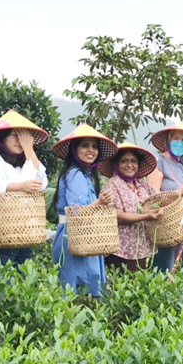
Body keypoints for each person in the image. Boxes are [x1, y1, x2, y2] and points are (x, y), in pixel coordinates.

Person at [0, 110, 50, 273]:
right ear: (2, 138)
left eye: (23, 138)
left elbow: (41, 183)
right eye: (14, 135)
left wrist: (30, 150)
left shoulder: (22, 165)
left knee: (21, 292)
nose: (19, 141)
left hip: (23, 237)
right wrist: (22, 187)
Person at [51, 124, 118, 296]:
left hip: (85, 236)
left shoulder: (85, 176)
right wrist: (100, 202)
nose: (91, 150)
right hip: (73, 236)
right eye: (85, 145)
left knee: (81, 293)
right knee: (75, 294)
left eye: (94, 147)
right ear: (75, 149)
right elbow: (76, 212)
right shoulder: (75, 174)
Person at [146, 121, 183, 271]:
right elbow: (153, 199)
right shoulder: (159, 162)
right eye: (176, 138)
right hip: (164, 227)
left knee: (173, 269)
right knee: (163, 269)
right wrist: (182, 190)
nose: (180, 143)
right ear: (168, 141)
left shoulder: (180, 167)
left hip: (178, 227)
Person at [100, 143, 161, 272]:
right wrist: (146, 216)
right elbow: (118, 215)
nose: (129, 165)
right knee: (123, 287)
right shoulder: (112, 185)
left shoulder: (143, 185)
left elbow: (161, 199)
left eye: (133, 161)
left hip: (144, 247)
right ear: (116, 164)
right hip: (121, 250)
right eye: (124, 161)